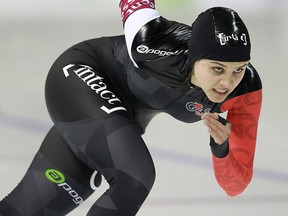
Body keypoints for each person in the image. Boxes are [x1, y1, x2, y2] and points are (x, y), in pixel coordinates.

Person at [0, 0, 262, 215]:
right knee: (133, 178)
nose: (227, 82)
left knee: (27, 209)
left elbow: (236, 185)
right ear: (194, 57)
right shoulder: (152, 40)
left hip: (117, 117)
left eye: (238, 70)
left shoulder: (245, 91)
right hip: (82, 75)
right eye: (217, 69)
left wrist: (221, 148)